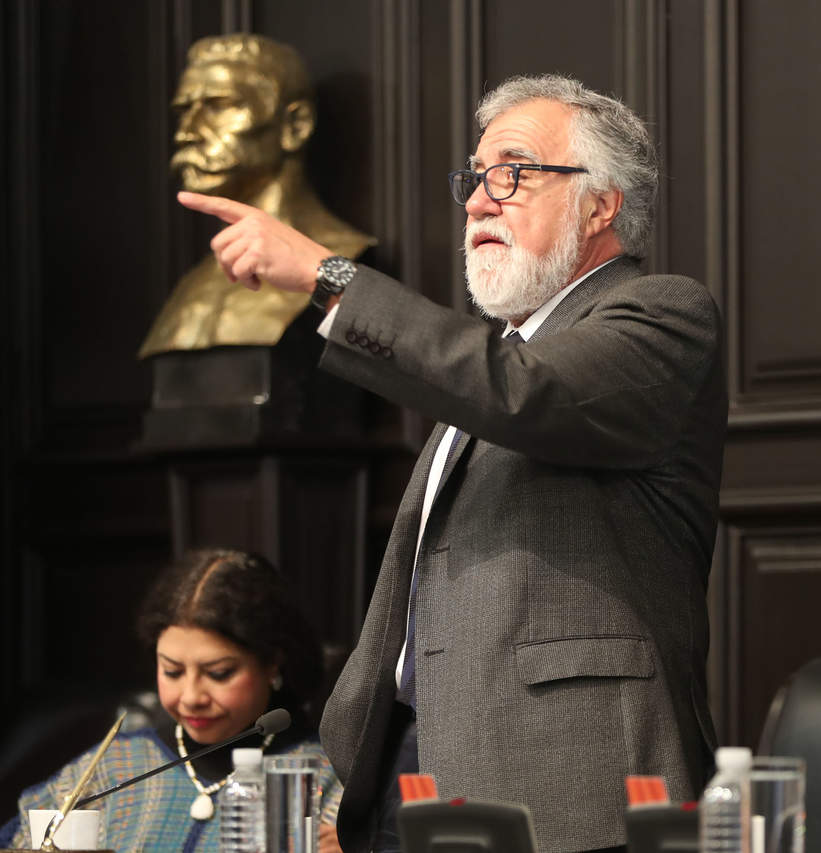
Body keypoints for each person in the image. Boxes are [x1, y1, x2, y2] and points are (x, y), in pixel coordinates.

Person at [177, 73, 726, 853]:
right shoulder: (496, 360)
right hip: (411, 776)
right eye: (473, 178)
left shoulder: (662, 315)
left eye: (512, 173)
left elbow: (525, 394)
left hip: (572, 788)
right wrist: (359, 766)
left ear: (600, 205)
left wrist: (329, 279)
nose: (476, 203)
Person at [0, 549, 344, 851]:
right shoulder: (114, 766)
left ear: (273, 664)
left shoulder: (324, 780)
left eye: (219, 673)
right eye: (172, 671)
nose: (191, 697)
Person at [138, 33, 375, 359]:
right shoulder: (190, 288)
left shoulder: (351, 259)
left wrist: (330, 277)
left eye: (219, 105)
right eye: (184, 110)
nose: (185, 132)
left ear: (295, 125)